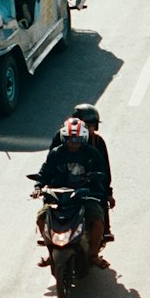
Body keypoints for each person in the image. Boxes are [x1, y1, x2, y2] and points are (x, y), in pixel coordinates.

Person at [35, 117, 109, 267]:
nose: (73, 143)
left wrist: (95, 180)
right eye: (70, 139)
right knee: (42, 217)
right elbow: (45, 172)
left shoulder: (92, 153)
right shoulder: (56, 153)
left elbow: (102, 172)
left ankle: (94, 255)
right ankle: (51, 253)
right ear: (64, 138)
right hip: (59, 197)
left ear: (83, 139)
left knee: (97, 221)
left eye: (77, 140)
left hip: (85, 196)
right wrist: (38, 187)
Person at [49, 103, 114, 241]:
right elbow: (50, 164)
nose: (91, 129)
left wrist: (108, 192)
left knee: (100, 203)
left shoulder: (97, 142)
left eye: (93, 126)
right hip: (63, 186)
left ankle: (105, 231)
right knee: (47, 210)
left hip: (87, 188)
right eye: (88, 125)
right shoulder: (60, 138)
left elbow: (105, 170)